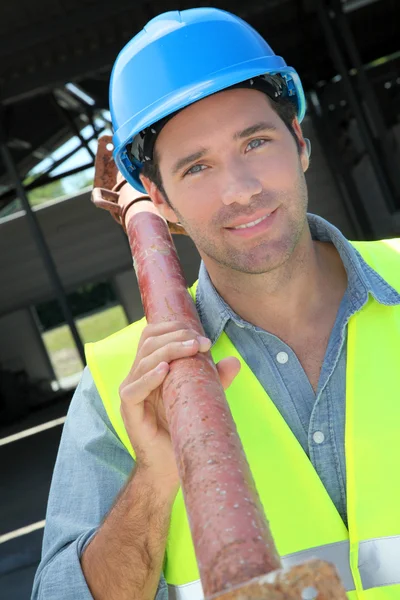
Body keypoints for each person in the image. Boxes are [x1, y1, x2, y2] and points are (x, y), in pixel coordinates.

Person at [32, 7, 400, 600]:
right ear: (161, 199)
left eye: (255, 142)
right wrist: (155, 482)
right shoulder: (123, 386)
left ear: (300, 142)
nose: (241, 189)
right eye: (196, 167)